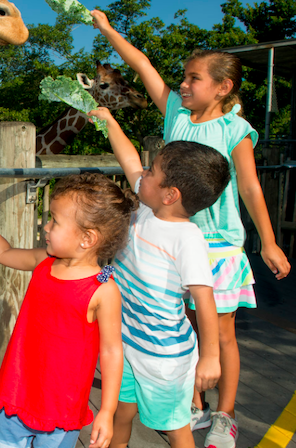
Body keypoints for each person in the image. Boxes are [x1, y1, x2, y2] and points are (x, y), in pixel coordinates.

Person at [92, 8, 292, 448]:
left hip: (217, 245)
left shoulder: (236, 129)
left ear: (223, 87)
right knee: (178, 322)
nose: (183, 84)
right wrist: (107, 30)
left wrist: (269, 242)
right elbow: (142, 64)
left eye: (193, 78)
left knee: (218, 334)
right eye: (183, 76)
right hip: (171, 237)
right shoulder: (176, 117)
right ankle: (193, 403)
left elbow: (251, 187)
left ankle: (226, 413)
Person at [0, 173, 136, 448]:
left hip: (60, 410)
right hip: (17, 392)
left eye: (55, 221)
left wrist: (107, 411)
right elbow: (2, 252)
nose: (46, 227)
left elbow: (112, 351)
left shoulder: (103, 290)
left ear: (87, 238)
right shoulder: (45, 261)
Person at [90, 106, 229, 448]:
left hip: (164, 356)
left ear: (170, 195)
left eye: (151, 171)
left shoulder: (187, 239)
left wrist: (210, 356)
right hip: (126, 340)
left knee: (174, 426)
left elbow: (205, 300)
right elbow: (128, 158)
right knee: (121, 412)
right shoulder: (146, 206)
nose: (142, 174)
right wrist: (110, 123)